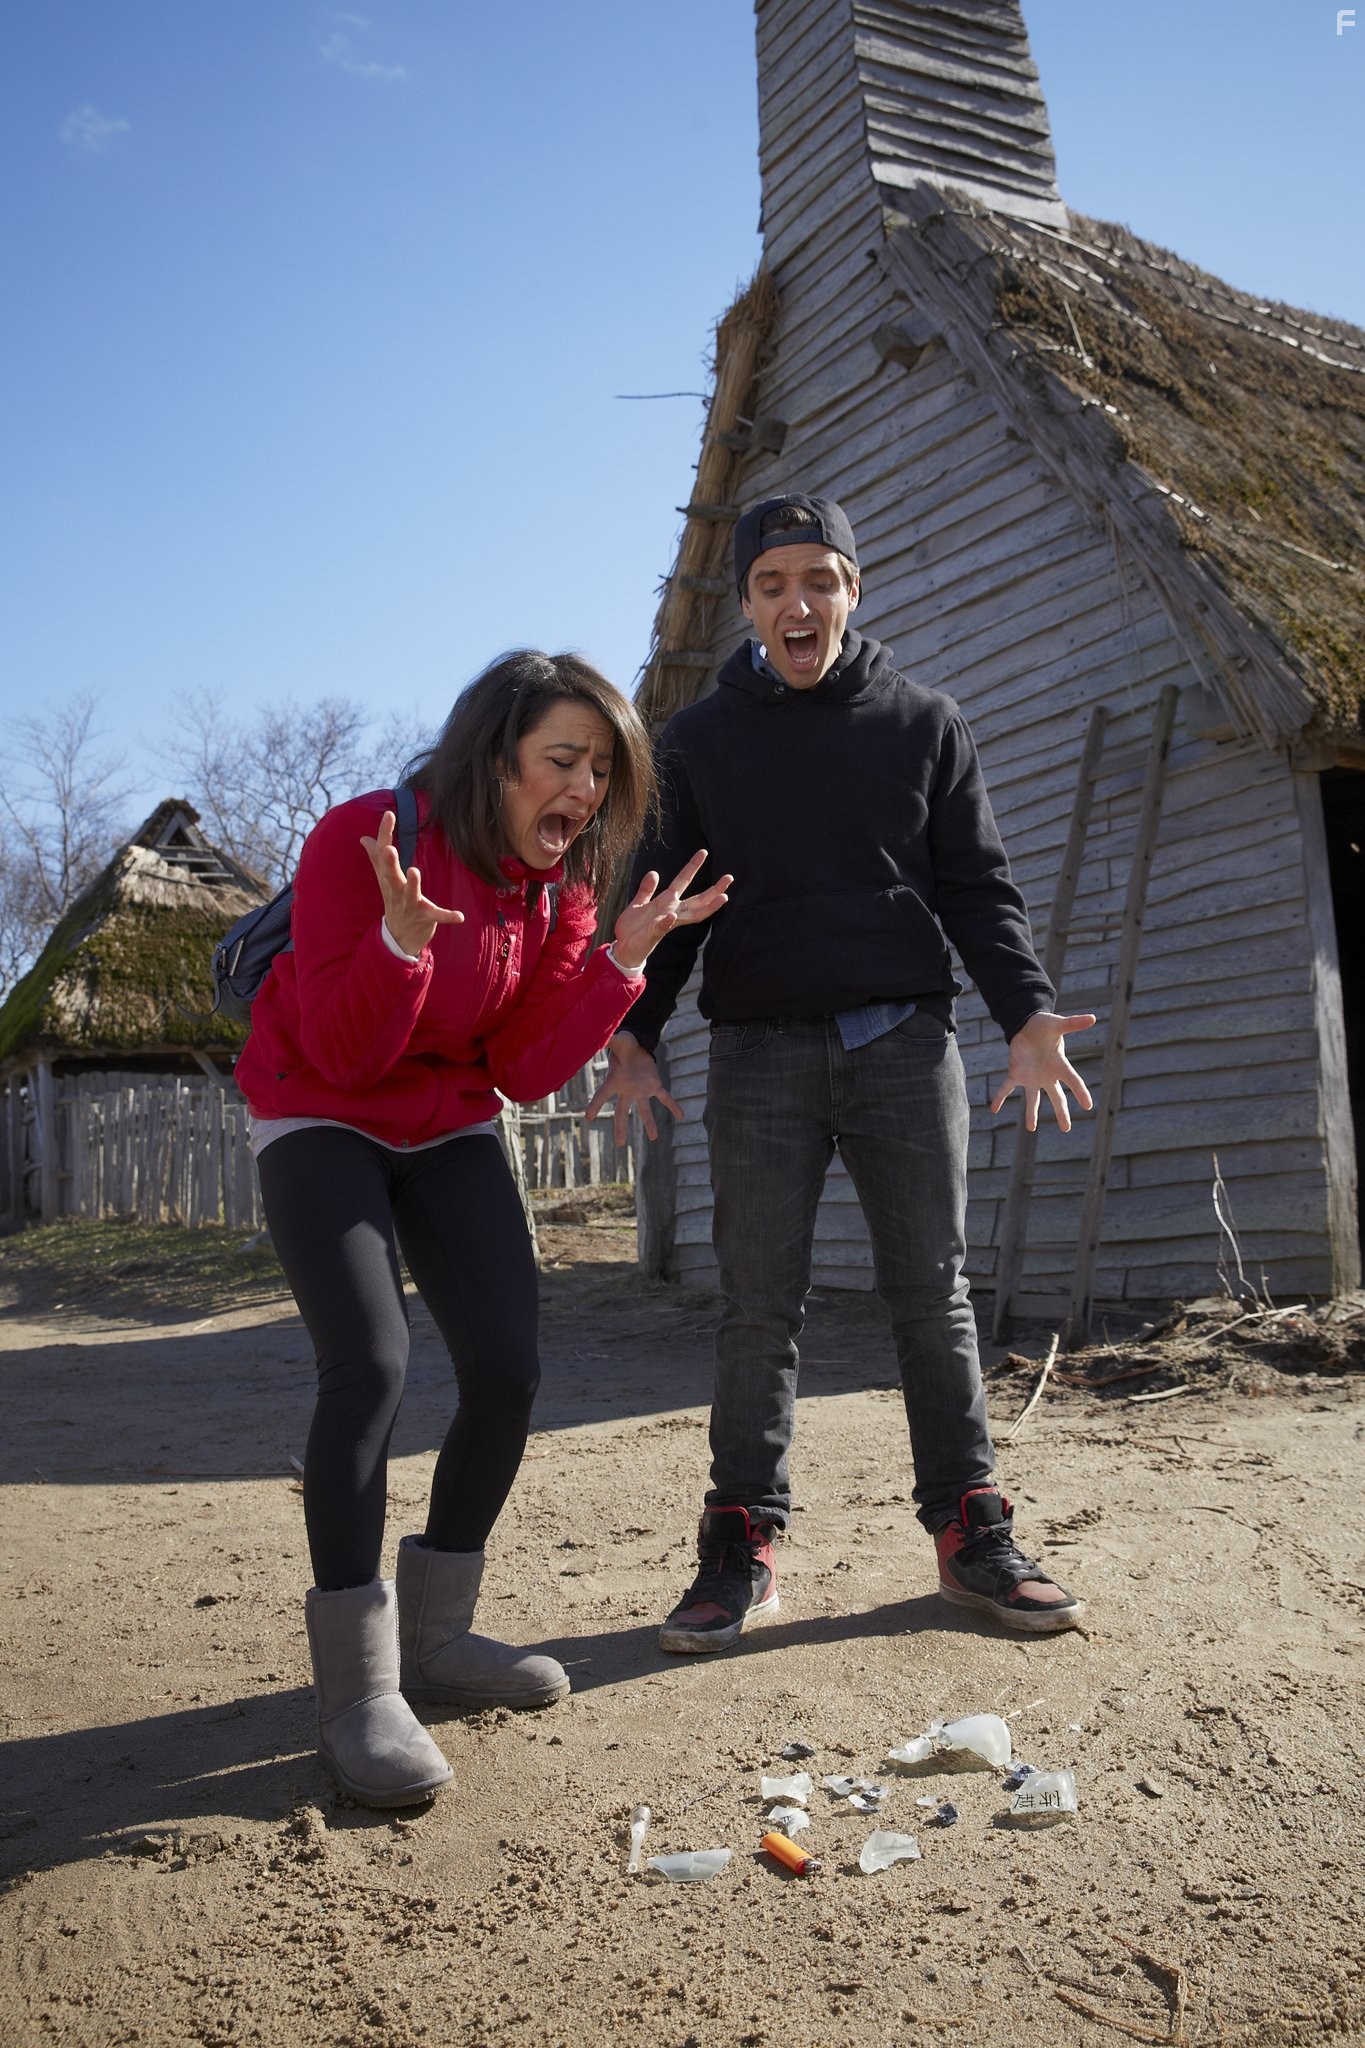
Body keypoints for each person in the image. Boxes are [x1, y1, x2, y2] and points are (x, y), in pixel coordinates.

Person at [587, 494, 1095, 1653]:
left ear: (853, 590)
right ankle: (739, 1542)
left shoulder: (925, 722)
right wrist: (635, 1031)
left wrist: (1023, 1011)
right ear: (749, 605)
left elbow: (977, 888)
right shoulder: (701, 744)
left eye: (819, 578)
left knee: (934, 1292)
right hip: (761, 1053)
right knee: (758, 1304)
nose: (797, 602)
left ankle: (972, 1529)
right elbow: (664, 909)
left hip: (903, 1046)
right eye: (772, 585)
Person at [236, 650, 729, 1805]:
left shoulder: (555, 891)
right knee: (368, 1363)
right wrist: (403, 942)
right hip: (318, 1107)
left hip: (449, 1119)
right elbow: (349, 1050)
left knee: (507, 1367)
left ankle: (437, 1639)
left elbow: (517, 1067)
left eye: (601, 769)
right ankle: (357, 1694)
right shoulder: (366, 836)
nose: (585, 789)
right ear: (494, 757)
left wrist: (618, 964)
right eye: (564, 759)